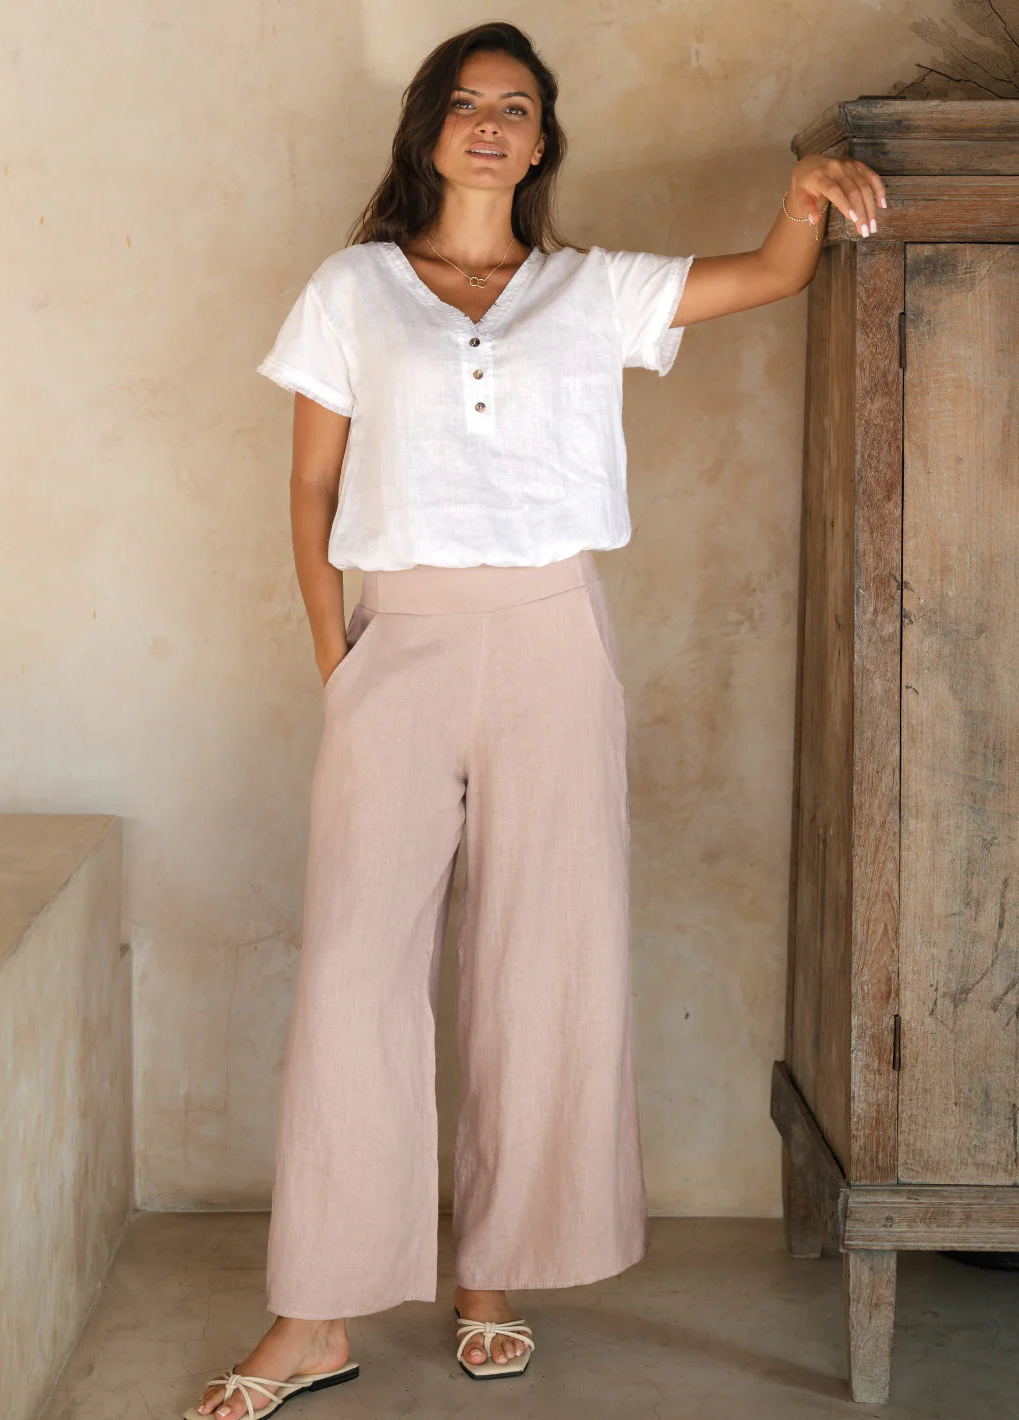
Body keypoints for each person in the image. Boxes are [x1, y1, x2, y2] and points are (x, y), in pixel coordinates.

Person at [186, 20, 886, 1420]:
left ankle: (492, 1279)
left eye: (516, 106)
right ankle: (313, 1317)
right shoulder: (352, 288)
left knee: (538, 961)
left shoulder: (588, 289)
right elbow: (311, 488)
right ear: (428, 130)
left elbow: (766, 273)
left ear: (542, 140)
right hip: (397, 641)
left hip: (555, 639)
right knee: (355, 972)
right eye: (466, 103)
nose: (490, 123)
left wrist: (806, 194)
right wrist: (336, 656)